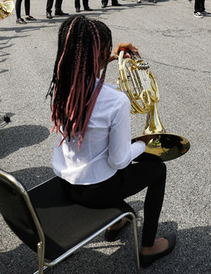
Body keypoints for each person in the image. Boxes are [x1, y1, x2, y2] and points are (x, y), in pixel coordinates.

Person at [49, 16, 176, 268]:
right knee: (157, 168)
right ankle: (148, 247)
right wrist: (145, 142)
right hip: (97, 191)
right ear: (97, 55)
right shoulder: (116, 101)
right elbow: (118, 161)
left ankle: (117, 220)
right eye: (105, 51)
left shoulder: (61, 85)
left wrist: (113, 54)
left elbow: (82, 65)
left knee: (116, 148)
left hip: (67, 183)